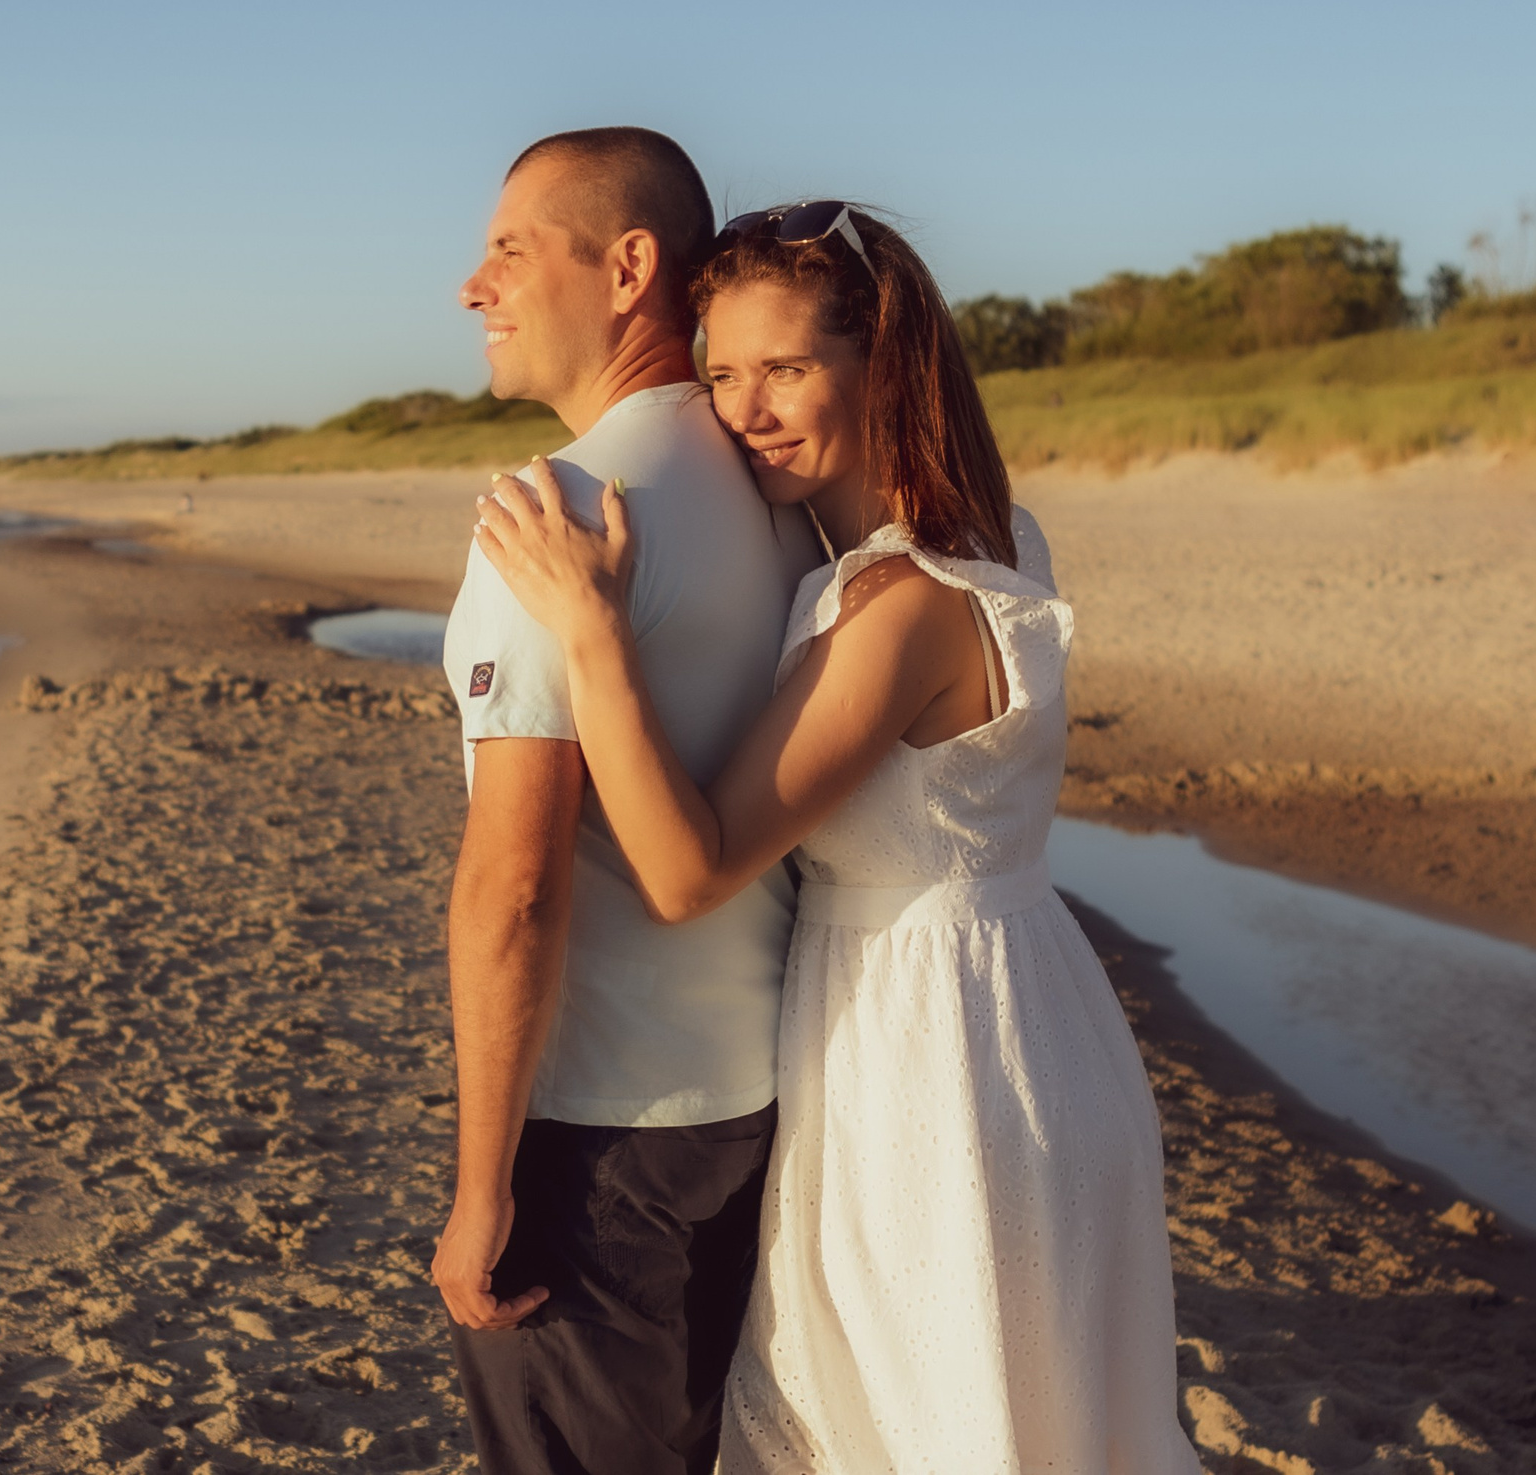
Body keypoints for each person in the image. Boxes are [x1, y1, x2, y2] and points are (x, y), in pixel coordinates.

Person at [473, 200, 1203, 1474]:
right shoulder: (991, 531)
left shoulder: (906, 602)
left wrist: (592, 638)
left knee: (940, 1420)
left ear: (886, 367)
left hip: (938, 1059)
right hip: (1008, 1006)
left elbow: (690, 871)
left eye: (788, 369)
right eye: (720, 373)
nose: (745, 409)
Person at [430, 129, 823, 1474]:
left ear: (629, 265)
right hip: (755, 1099)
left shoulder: (556, 521)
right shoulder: (775, 492)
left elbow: (514, 884)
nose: (470, 287)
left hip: (602, 1139)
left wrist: (485, 1182)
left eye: (507, 250)